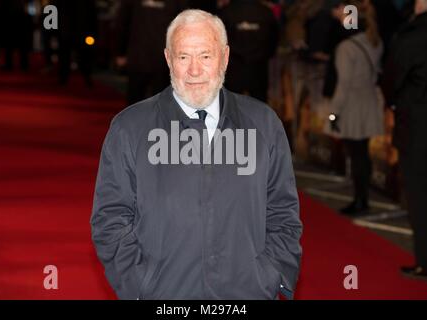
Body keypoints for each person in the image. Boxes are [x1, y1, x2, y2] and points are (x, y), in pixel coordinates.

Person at [91, 9, 302, 300]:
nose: (194, 70)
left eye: (205, 56)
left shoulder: (264, 124)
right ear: (168, 59)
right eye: (183, 57)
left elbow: (283, 212)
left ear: (225, 58)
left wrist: (269, 276)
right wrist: (139, 285)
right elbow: (110, 217)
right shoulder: (130, 127)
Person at [382, 0, 427, 280]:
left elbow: (391, 79)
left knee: (420, 196)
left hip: (417, 128)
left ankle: (425, 260)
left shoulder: (411, 36)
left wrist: (395, 104)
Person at [329, 0, 384, 215]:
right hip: (369, 100)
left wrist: (334, 113)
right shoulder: (375, 41)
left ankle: (360, 199)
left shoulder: (346, 47)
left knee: (356, 153)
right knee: (363, 153)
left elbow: (343, 84)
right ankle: (363, 197)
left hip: (352, 105)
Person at [220, 0, 279, 103]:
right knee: (259, 108)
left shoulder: (225, 12)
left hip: (233, 68)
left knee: (230, 108)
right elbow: (274, 40)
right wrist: (264, 55)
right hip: (258, 68)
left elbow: (217, 40)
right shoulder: (266, 12)